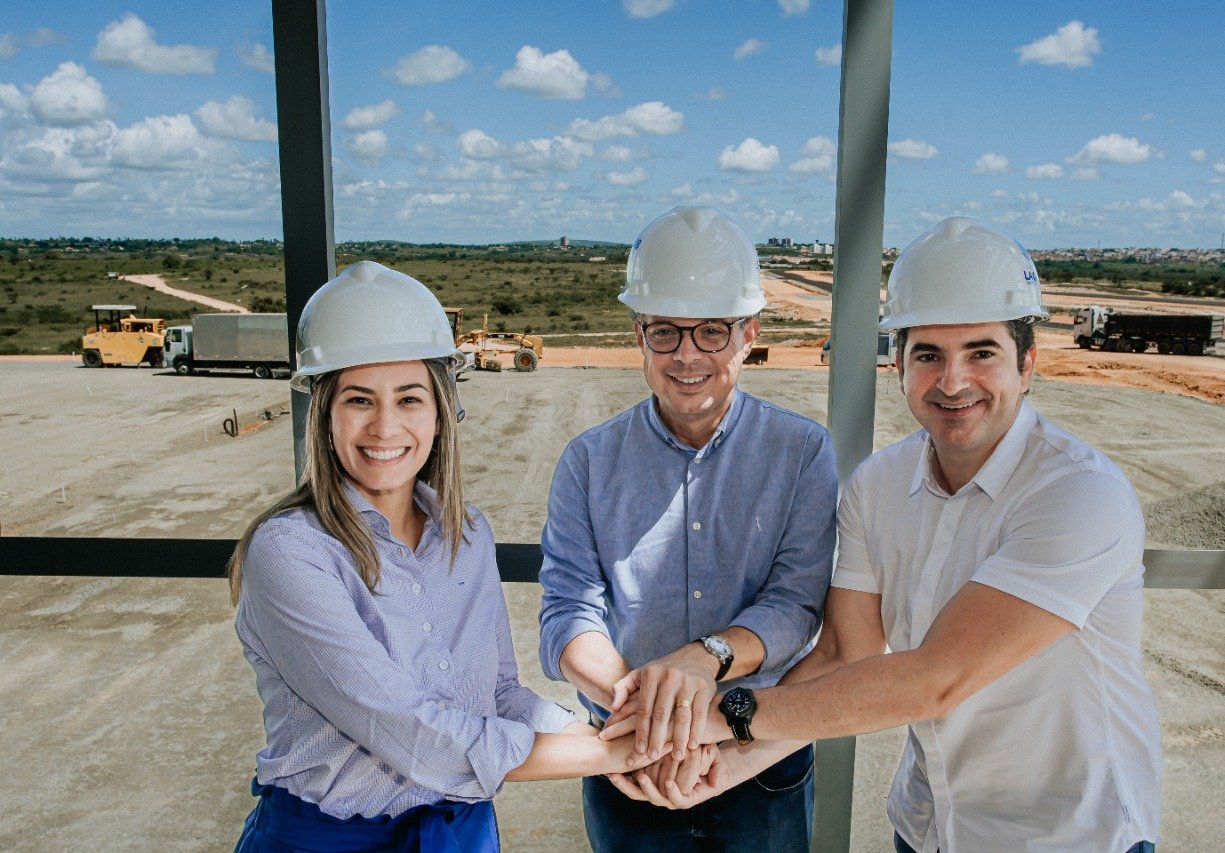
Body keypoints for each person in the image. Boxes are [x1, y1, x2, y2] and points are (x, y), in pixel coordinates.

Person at [606, 217, 1163, 852]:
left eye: (981, 353)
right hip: (929, 826)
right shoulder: (878, 487)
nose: (952, 382)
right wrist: (727, 767)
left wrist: (722, 719)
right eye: (928, 354)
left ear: (1028, 363)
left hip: (1066, 834)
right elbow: (848, 652)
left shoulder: (1078, 495)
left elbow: (937, 678)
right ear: (898, 363)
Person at [228, 261, 670, 852]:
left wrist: (605, 731)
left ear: (440, 414)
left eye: (409, 399)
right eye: (359, 399)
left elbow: (498, 695)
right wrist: (611, 751)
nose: (385, 426)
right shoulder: (291, 551)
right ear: (325, 415)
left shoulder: (467, 536)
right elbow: (408, 730)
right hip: (325, 841)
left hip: (457, 834)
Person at [538, 206, 838, 851]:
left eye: (712, 332)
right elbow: (568, 610)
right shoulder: (589, 462)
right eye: (666, 332)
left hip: (756, 752)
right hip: (627, 759)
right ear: (639, 334)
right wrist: (645, 716)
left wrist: (702, 666)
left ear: (749, 333)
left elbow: (796, 605)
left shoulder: (802, 452)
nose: (687, 355)